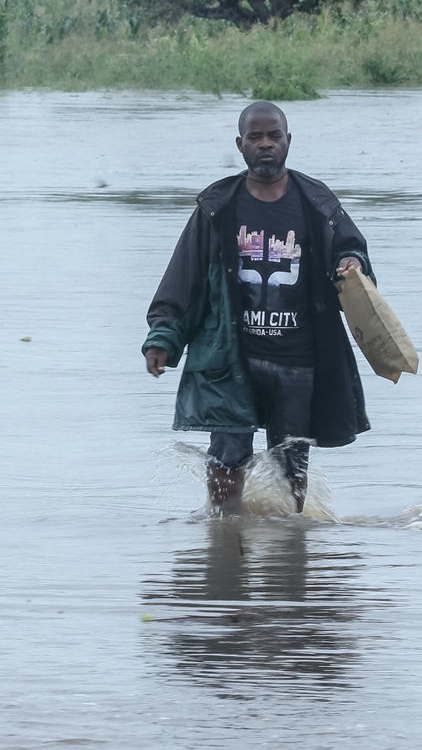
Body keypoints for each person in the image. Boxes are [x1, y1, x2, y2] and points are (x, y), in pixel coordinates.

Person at [142, 101, 374, 514]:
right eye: (255, 137)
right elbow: (185, 276)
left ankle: (291, 540)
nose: (265, 144)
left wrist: (351, 263)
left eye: (274, 136)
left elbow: (351, 249)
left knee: (292, 464)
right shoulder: (218, 206)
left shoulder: (316, 202)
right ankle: (222, 536)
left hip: (298, 360)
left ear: (288, 141)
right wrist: (163, 336)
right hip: (232, 358)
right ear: (240, 144)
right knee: (226, 459)